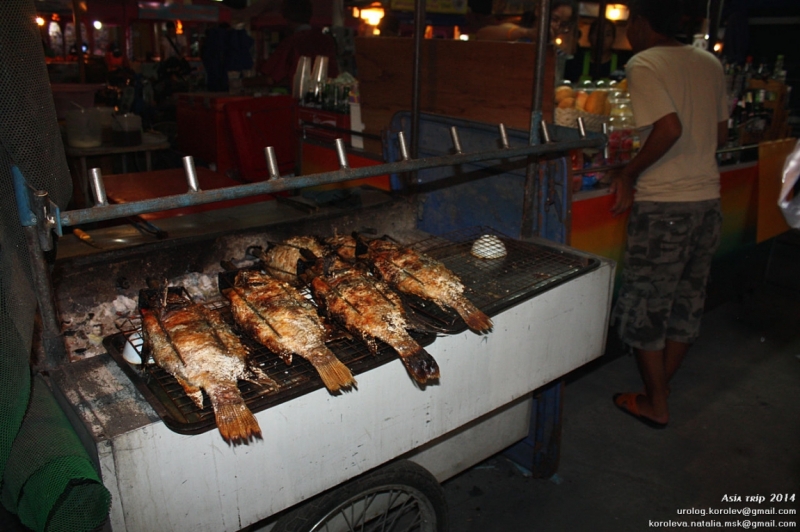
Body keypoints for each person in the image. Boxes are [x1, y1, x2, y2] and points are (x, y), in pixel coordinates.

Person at [608, 0, 729, 428]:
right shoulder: (708, 61)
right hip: (707, 203)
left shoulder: (644, 63)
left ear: (641, 24)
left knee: (646, 307)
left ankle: (656, 403)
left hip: (665, 207)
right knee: (686, 302)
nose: (626, 32)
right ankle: (659, 388)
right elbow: (720, 131)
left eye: (627, 23)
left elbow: (669, 128)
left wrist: (628, 171)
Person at [258, 0, 338, 88]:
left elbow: (271, 78)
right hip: (328, 92)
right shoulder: (326, 40)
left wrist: (243, 83)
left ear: (286, 16)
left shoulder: (291, 42)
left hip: (299, 95)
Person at [473, 0, 576, 43]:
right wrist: (527, 33)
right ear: (538, 11)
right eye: (554, 19)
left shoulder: (555, 51)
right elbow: (482, 33)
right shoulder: (519, 33)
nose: (557, 26)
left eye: (563, 24)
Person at [564, 18, 628, 83]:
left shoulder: (621, 64)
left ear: (613, 39)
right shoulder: (576, 62)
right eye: (598, 33)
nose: (602, 38)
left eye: (607, 35)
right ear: (589, 36)